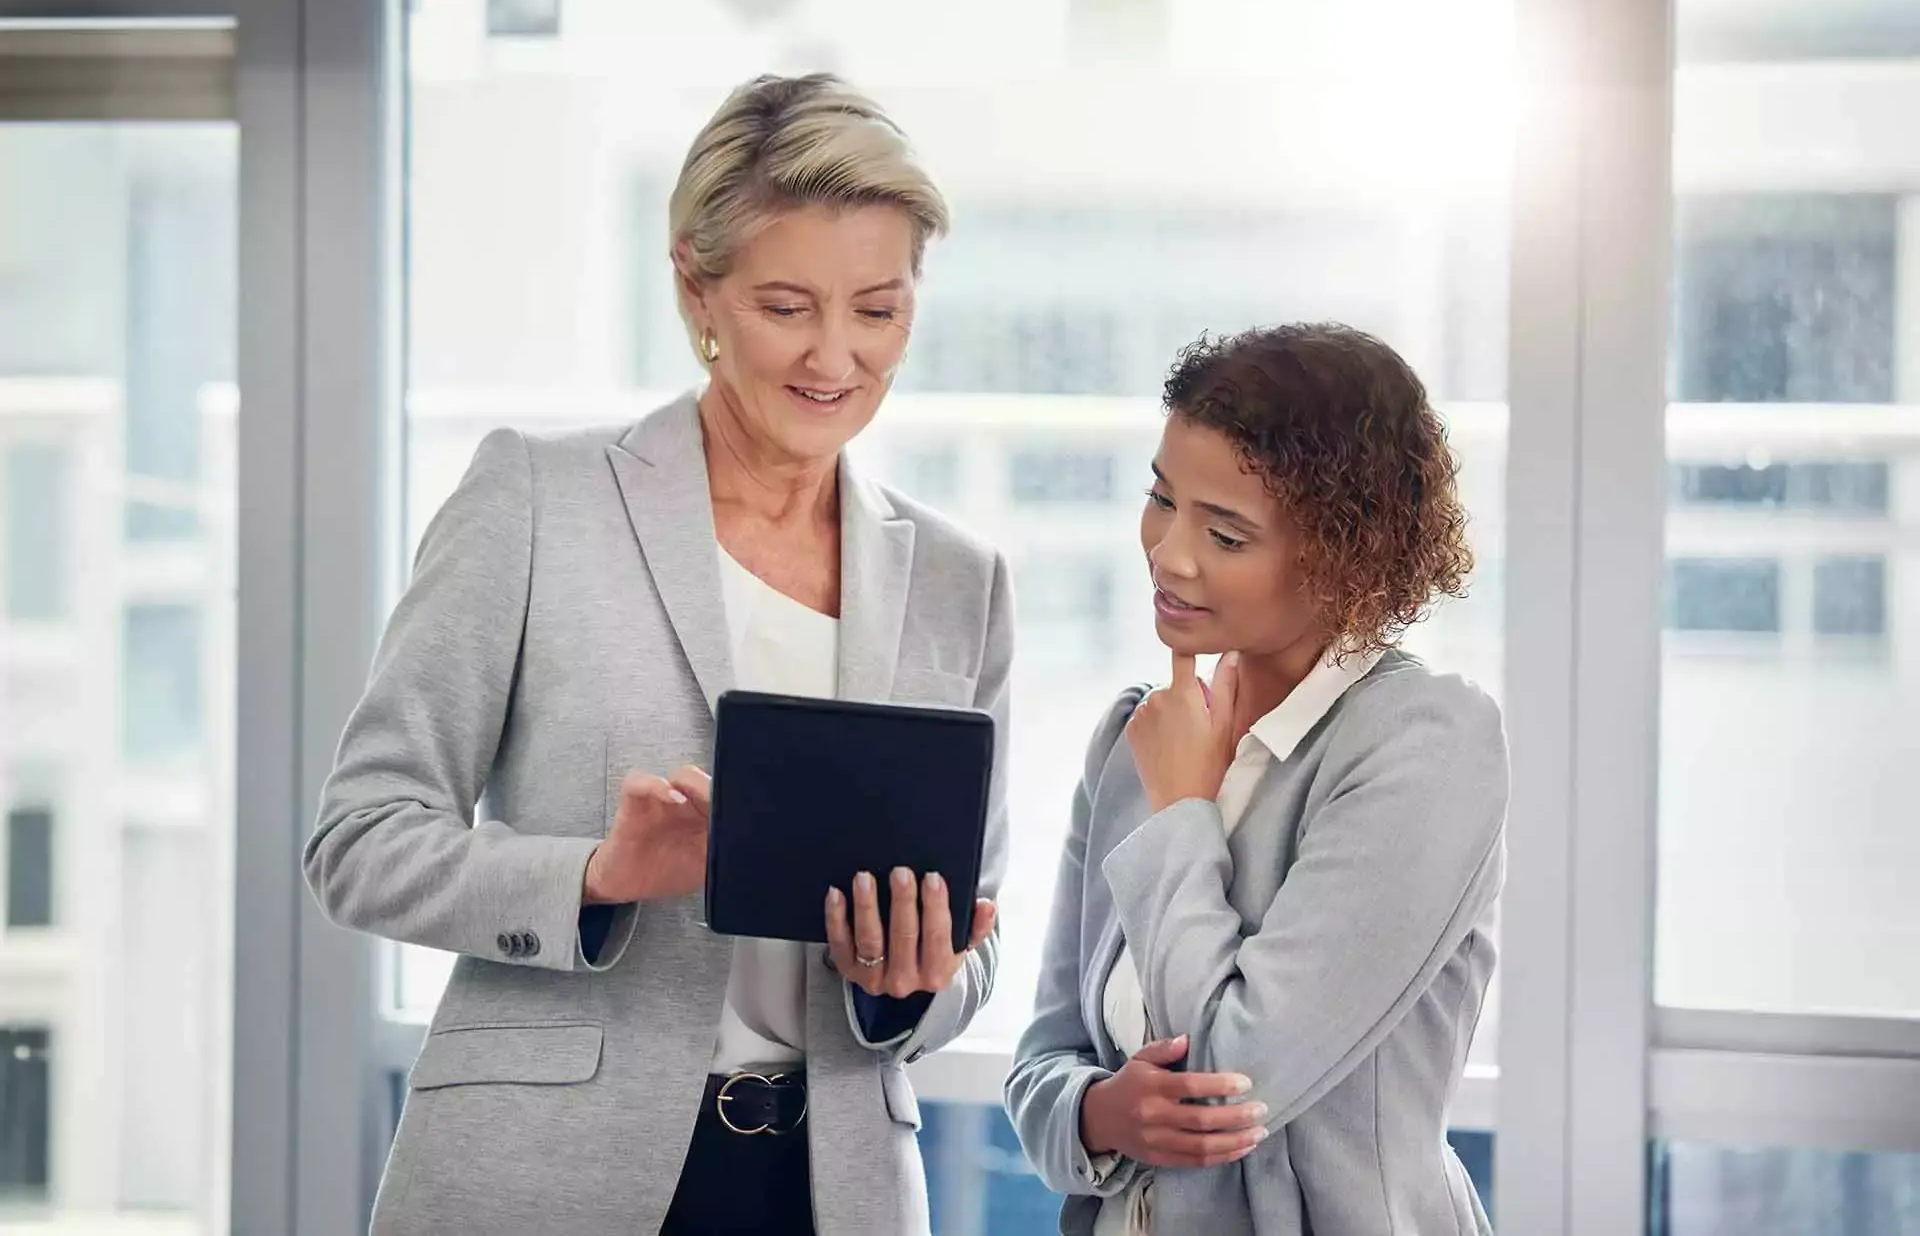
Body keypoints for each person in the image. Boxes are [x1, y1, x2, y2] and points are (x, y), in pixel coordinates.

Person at [304, 73, 1011, 1236]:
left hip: (832, 1185)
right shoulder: (537, 496)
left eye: (878, 310)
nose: (836, 356)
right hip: (545, 1174)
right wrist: (595, 873)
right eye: (788, 306)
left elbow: (976, 924)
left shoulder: (958, 577)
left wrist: (914, 980)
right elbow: (360, 839)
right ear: (698, 286)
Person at [1004, 323, 1505, 1235]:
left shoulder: (1425, 743)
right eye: (1163, 498)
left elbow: (1236, 1080)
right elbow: (1042, 1060)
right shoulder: (1136, 734)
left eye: (1226, 533)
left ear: (1347, 557)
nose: (1168, 553)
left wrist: (1185, 812)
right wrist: (1099, 1114)